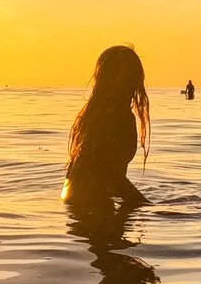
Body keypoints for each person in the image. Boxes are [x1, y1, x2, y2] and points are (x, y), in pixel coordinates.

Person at [64, 44, 149, 202]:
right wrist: (149, 207)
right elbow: (112, 177)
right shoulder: (119, 117)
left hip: (74, 201)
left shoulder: (94, 114)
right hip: (92, 207)